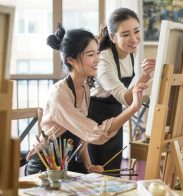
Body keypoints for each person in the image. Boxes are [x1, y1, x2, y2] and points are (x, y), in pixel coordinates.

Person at [25, 24, 147, 175]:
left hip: (66, 166)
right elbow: (95, 133)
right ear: (71, 60)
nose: (98, 60)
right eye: (90, 55)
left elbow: (82, 137)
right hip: (44, 168)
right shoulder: (59, 95)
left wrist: (89, 167)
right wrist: (133, 107)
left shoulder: (85, 88)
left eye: (97, 53)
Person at [88, 8, 155, 170]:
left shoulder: (130, 51)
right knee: (98, 173)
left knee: (113, 169)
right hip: (95, 118)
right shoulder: (103, 61)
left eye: (136, 31)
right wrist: (145, 75)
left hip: (116, 114)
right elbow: (126, 98)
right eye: (125, 34)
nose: (134, 39)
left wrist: (145, 75)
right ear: (113, 37)